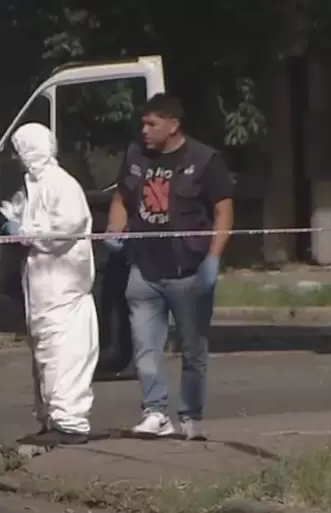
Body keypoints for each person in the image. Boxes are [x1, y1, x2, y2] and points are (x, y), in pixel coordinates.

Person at [104, 93, 234, 440]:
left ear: (173, 125)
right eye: (143, 123)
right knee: (145, 349)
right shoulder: (135, 156)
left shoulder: (204, 159)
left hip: (189, 270)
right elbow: (121, 198)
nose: (144, 130)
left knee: (193, 350)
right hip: (144, 269)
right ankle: (155, 412)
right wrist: (114, 230)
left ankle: (191, 416)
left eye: (152, 124)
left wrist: (213, 258)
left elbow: (223, 210)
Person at [0, 122, 100, 446]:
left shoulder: (62, 185)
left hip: (63, 290)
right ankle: (52, 419)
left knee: (64, 353)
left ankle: (70, 422)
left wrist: (25, 231)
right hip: (43, 290)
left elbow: (65, 229)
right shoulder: (34, 186)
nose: (16, 159)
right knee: (45, 354)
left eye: (19, 152)